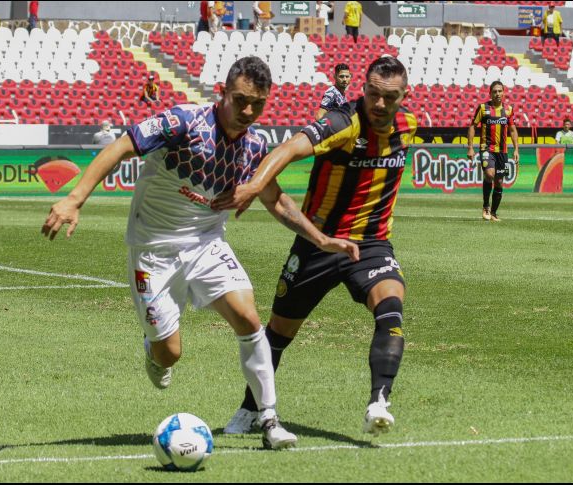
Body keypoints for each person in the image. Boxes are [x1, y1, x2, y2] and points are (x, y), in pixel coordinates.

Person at [41, 56, 359, 450]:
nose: (247, 111)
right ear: (221, 92)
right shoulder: (182, 124)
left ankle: (270, 419)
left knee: (248, 317)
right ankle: (154, 351)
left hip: (207, 243)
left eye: (257, 104)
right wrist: (74, 199)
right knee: (170, 354)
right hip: (153, 251)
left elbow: (276, 201)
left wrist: (320, 239)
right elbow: (122, 146)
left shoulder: (256, 145)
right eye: (240, 100)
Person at [212, 56, 418, 437]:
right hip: (317, 244)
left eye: (390, 97)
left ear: (405, 96)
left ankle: (379, 401)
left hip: (370, 244)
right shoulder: (342, 122)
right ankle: (250, 408)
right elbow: (289, 149)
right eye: (373, 94)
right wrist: (256, 185)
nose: (379, 104)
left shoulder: (410, 126)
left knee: (391, 307)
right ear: (364, 89)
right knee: (278, 333)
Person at [467, 80, 520, 223]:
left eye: (500, 91)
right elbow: (472, 126)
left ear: (503, 92)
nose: (497, 94)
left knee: (499, 182)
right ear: (490, 93)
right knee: (489, 174)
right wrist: (470, 147)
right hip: (486, 148)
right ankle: (486, 206)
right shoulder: (483, 108)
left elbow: (513, 130)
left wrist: (516, 149)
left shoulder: (508, 110)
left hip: (502, 151)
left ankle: (494, 213)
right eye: (494, 91)